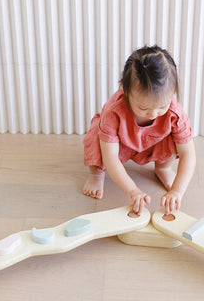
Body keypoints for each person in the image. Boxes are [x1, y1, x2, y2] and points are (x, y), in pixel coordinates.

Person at [82, 45, 196, 214]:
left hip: (153, 143)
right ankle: (96, 174)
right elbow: (110, 156)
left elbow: (188, 154)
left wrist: (177, 191)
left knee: (175, 142)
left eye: (162, 106)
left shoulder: (174, 114)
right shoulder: (114, 111)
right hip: (122, 144)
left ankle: (163, 168)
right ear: (124, 89)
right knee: (96, 139)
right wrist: (132, 190)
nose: (153, 114)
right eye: (143, 108)